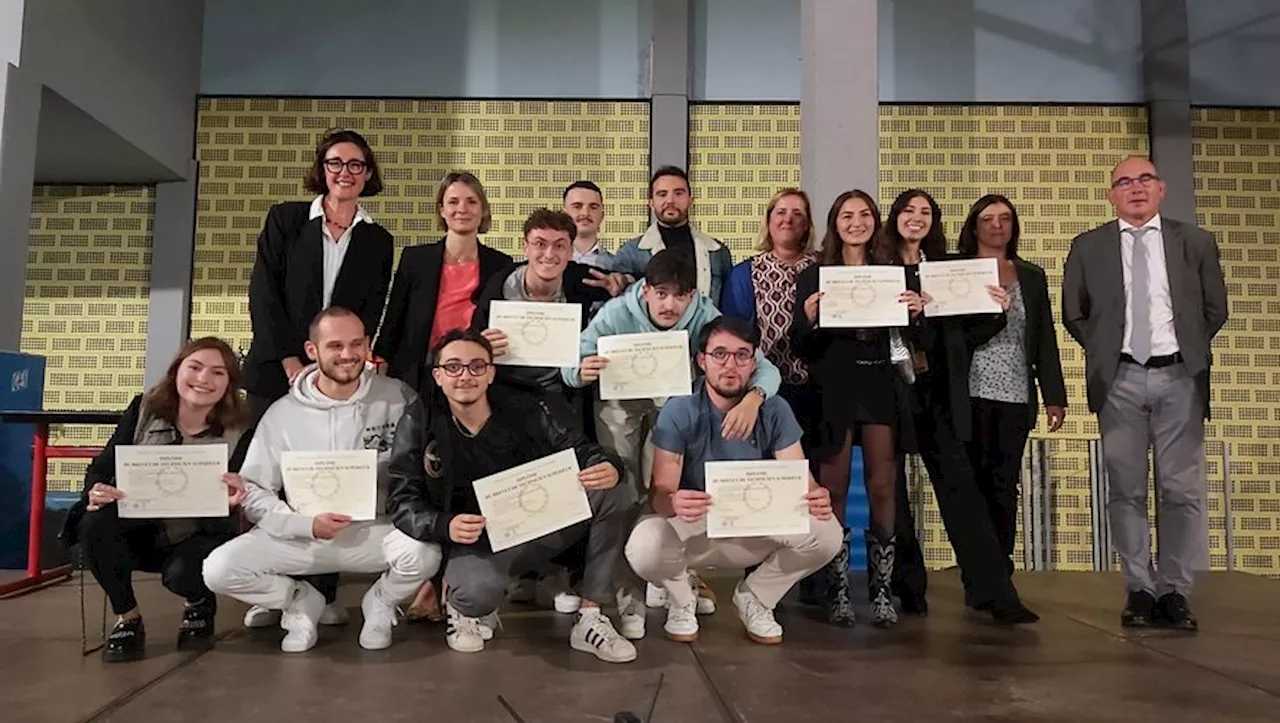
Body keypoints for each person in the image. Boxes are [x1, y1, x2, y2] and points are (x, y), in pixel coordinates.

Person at [562, 249, 784, 636]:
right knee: (626, 491)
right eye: (661, 293)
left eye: (680, 296)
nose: (670, 304)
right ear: (645, 290)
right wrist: (581, 371)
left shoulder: (705, 314)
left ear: (693, 296)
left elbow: (764, 367)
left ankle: (672, 578)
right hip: (621, 405)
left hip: (675, 405)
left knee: (672, 488)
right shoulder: (616, 312)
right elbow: (569, 362)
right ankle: (627, 594)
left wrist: (754, 397)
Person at [385, 329, 638, 662]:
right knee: (475, 595)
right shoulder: (418, 419)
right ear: (438, 375)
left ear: (491, 372)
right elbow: (401, 498)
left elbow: (578, 447)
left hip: (534, 524)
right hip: (474, 540)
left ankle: (590, 618)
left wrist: (606, 464)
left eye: (477, 366)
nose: (465, 376)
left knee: (611, 489)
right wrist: (443, 525)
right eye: (454, 367)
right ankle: (466, 610)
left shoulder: (524, 408)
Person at [202, 308, 442, 652]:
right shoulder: (282, 413)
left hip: (375, 530)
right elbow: (255, 488)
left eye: (357, 344)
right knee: (219, 569)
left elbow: (423, 468)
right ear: (312, 351)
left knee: (425, 552)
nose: (348, 355)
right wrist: (304, 525)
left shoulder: (398, 397)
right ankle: (298, 600)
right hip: (304, 536)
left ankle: (381, 603)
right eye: (336, 345)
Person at [1063, 156, 1227, 631]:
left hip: (1180, 377)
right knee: (1127, 489)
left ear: (1162, 189)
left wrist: (1184, 348)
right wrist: (1108, 355)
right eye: (1124, 182)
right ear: (1111, 194)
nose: (1135, 188)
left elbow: (1214, 309)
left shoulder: (1194, 242)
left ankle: (1175, 591)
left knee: (1180, 489)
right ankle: (1139, 588)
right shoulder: (1088, 246)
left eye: (1144, 180)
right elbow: (1076, 313)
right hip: (1120, 381)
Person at [240, 128, 394, 624]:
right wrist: (291, 358)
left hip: (341, 371)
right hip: (277, 369)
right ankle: (277, 593)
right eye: (335, 163)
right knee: (276, 482)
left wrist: (353, 358)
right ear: (321, 168)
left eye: (355, 165)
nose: (344, 173)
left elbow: (369, 311)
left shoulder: (378, 239)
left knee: (328, 477)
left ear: (368, 174)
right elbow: (263, 294)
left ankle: (322, 594)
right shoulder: (286, 219)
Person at [624, 316, 841, 644]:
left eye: (742, 355)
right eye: (720, 354)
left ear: (753, 362)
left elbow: (799, 476)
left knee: (827, 533)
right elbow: (660, 493)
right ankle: (682, 599)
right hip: (698, 526)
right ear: (702, 361)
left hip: (755, 525)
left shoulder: (775, 409)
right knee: (644, 545)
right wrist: (673, 501)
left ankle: (756, 597)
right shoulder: (679, 410)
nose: (730, 364)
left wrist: (815, 494)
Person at [889, 188, 1039, 625]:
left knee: (962, 493)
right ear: (894, 217)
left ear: (935, 222)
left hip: (937, 393)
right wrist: (909, 313)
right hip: (889, 391)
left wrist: (995, 313)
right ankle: (908, 585)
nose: (916, 218)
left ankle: (995, 590)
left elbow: (964, 338)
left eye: (926, 213)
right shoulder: (877, 268)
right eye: (908, 211)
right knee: (892, 494)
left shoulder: (950, 268)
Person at [471, 208, 626, 614]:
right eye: (540, 244)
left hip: (561, 395)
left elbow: (623, 297)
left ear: (571, 250)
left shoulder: (577, 281)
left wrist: (619, 282)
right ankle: (520, 571)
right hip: (505, 395)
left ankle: (562, 571)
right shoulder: (498, 286)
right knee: (516, 480)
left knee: (568, 480)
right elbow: (471, 344)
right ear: (525, 247)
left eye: (560, 245)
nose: (549, 254)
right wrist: (483, 345)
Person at [61, 338, 252, 663]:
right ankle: (128, 617)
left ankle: (198, 600)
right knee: (93, 524)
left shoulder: (241, 428)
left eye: (218, 373)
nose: (204, 379)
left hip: (198, 532)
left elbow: (249, 487)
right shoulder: (142, 409)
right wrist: (95, 490)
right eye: (195, 367)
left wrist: (239, 492)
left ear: (229, 385)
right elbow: (102, 466)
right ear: (177, 371)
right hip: (138, 527)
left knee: (182, 574)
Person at [790, 190, 922, 628]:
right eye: (846, 215)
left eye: (864, 214)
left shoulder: (896, 273)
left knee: (884, 485)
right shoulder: (814, 274)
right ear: (834, 223)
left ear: (875, 222)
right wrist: (808, 318)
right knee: (835, 486)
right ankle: (838, 589)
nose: (856, 222)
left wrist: (917, 313)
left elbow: (917, 343)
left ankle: (881, 591)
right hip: (834, 386)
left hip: (881, 382)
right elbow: (801, 347)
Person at [957, 195, 1067, 575]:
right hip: (967, 391)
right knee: (971, 483)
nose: (997, 225)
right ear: (974, 226)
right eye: (987, 219)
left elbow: (1043, 340)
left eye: (1005, 218)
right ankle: (975, 565)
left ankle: (1000, 565)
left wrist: (1054, 396)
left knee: (1004, 484)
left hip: (1016, 392)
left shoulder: (1031, 276)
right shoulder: (959, 271)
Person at [376, 170, 514, 398]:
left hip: (473, 372)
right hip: (419, 368)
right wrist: (382, 358)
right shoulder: (415, 259)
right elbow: (394, 318)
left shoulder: (501, 264)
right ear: (442, 210)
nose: (462, 209)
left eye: (471, 201)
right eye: (453, 201)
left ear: (483, 210)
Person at [611, 166, 734, 305]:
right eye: (662, 194)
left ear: (691, 200)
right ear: (651, 203)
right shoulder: (630, 253)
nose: (670, 200)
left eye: (679, 193)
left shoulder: (718, 252)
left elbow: (727, 308)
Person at [563, 180, 614, 269]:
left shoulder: (616, 266)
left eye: (593, 207)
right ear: (564, 213)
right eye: (577, 206)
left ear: (602, 214)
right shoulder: (547, 261)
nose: (585, 213)